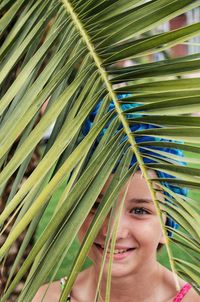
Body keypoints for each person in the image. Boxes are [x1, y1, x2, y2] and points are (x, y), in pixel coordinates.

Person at [33, 98, 200, 302]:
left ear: (167, 224)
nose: (112, 231)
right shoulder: (46, 298)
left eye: (139, 211)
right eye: (96, 206)